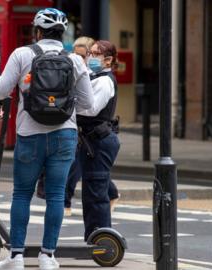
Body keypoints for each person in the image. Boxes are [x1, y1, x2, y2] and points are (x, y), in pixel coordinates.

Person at [0, 8, 94, 270]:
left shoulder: (23, 54)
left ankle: (17, 257)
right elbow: (88, 104)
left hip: (29, 134)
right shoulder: (76, 60)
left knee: (22, 194)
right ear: (63, 32)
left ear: (37, 31)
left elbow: (1, 89)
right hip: (65, 134)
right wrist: (63, 106)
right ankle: (48, 256)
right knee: (56, 196)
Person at [77, 40, 120, 241]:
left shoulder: (105, 81)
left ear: (108, 59)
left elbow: (91, 109)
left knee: (96, 195)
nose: (90, 57)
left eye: (96, 54)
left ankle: (101, 242)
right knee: (92, 193)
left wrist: (69, 108)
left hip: (99, 141)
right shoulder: (95, 77)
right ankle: (94, 239)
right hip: (92, 141)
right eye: (90, 53)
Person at [64, 36, 95, 217]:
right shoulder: (70, 70)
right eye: (75, 54)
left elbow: (89, 104)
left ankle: (66, 202)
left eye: (82, 56)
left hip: (87, 129)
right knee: (80, 166)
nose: (78, 59)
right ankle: (112, 194)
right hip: (74, 125)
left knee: (80, 167)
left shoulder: (92, 75)